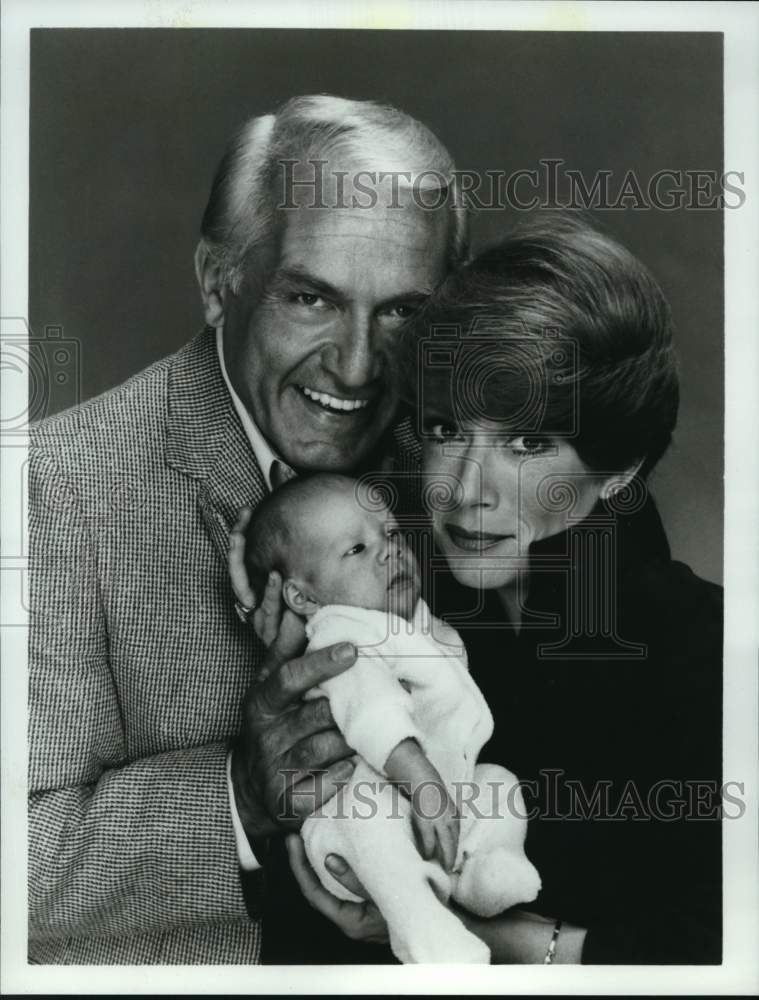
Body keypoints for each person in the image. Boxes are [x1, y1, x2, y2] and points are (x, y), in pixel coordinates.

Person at [28, 94, 466, 964]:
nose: (355, 365)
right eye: (310, 298)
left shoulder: (457, 455)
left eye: (400, 312)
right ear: (217, 280)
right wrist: (238, 794)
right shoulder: (52, 491)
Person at [244, 216, 722, 964]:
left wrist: (494, 939)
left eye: (528, 443)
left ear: (619, 467)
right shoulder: (380, 592)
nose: (467, 492)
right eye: (445, 430)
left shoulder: (700, 648)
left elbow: (723, 946)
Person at [243, 472, 540, 963]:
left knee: (499, 783)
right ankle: (424, 933)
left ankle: (487, 867)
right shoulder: (341, 634)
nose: (389, 551)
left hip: (439, 789)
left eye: (393, 534)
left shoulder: (407, 620)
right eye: (356, 549)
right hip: (358, 811)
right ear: (304, 599)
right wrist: (421, 781)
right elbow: (372, 712)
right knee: (376, 824)